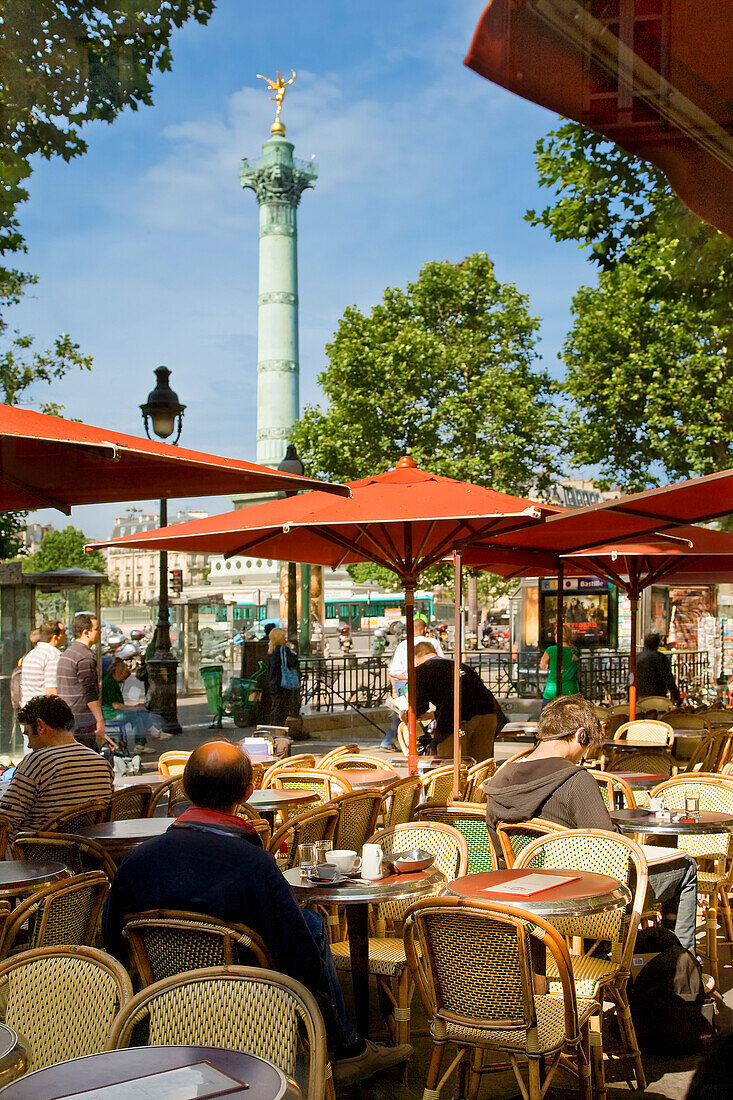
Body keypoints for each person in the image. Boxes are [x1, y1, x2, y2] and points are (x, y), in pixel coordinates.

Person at [102, 740, 412, 1085]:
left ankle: (346, 1047)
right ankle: (346, 1048)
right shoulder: (253, 864)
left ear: (185, 788)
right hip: (253, 1001)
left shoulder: (137, 861)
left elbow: (112, 938)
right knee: (311, 926)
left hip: (163, 1002)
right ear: (248, 793)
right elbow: (299, 957)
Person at [483, 694, 698, 952]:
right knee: (686, 867)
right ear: (580, 735)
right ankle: (685, 968)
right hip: (584, 899)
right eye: (587, 748)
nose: (583, 756)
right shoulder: (575, 779)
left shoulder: (500, 778)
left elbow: (498, 851)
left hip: (526, 896)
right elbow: (608, 848)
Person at [0, 695, 113, 842]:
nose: (29, 745)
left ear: (40, 726)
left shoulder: (37, 762)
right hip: (86, 854)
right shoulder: (102, 764)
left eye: (28, 734)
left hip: (33, 855)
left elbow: (5, 820)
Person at [410, 641, 506, 762]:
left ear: (416, 658)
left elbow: (419, 706)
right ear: (434, 653)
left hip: (456, 723)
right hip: (489, 715)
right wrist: (432, 715)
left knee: (449, 764)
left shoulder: (423, 669)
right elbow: (462, 699)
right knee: (481, 764)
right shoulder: (458, 665)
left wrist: (408, 713)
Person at [380, 618, 444, 750]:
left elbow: (393, 671)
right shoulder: (431, 642)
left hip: (403, 682)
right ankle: (417, 742)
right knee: (419, 714)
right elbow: (440, 662)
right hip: (423, 682)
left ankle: (391, 741)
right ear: (425, 629)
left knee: (404, 714)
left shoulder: (403, 644)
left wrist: (394, 688)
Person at [57, 613, 114, 752]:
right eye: (97, 629)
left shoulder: (68, 653)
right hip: (82, 721)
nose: (100, 632)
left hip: (69, 718)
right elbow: (90, 692)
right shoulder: (85, 657)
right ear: (86, 632)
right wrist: (99, 720)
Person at [101, 657, 171, 754]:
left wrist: (135, 707)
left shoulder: (111, 681)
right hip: (110, 714)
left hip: (112, 712)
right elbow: (116, 706)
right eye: (125, 677)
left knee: (139, 711)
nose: (124, 680)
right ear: (118, 673)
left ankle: (147, 738)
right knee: (136, 715)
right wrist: (134, 707)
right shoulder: (109, 682)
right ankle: (146, 739)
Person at [20, 619, 66, 706]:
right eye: (63, 633)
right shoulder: (53, 656)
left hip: (27, 709)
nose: (66, 636)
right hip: (43, 712)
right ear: (55, 637)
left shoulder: (30, 654)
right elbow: (51, 691)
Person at [635, 632, 682, 704]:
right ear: (657, 644)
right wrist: (676, 695)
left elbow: (631, 677)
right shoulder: (660, 657)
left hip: (641, 695)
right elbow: (668, 678)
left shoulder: (637, 657)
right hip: (658, 695)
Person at [539, 623, 579, 707]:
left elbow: (542, 665)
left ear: (558, 635)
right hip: (571, 691)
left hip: (553, 690)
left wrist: (551, 667)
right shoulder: (575, 651)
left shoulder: (550, 650)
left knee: (548, 717)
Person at [266, 627, 299, 725]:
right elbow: (292, 661)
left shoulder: (271, 650)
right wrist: (291, 650)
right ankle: (278, 730)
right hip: (282, 683)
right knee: (282, 708)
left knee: (276, 706)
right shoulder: (283, 649)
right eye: (284, 637)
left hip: (274, 682)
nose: (286, 639)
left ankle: (274, 728)